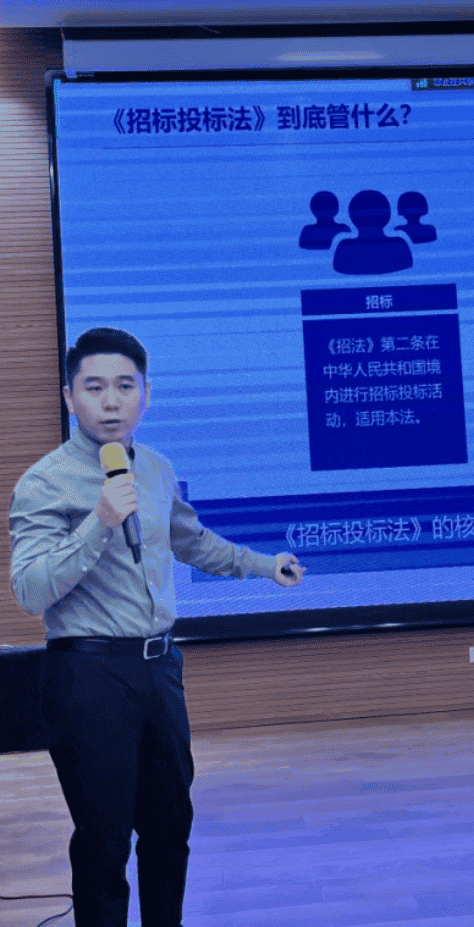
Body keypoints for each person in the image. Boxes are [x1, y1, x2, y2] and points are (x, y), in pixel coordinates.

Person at [9, 326, 305, 927]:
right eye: (94, 387)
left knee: (170, 827)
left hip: (161, 670)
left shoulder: (157, 469)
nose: (111, 402)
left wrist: (261, 565)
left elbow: (192, 542)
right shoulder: (44, 482)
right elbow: (31, 590)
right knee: (104, 839)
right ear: (70, 397)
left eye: (125, 386)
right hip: (88, 675)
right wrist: (98, 521)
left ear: (147, 394)